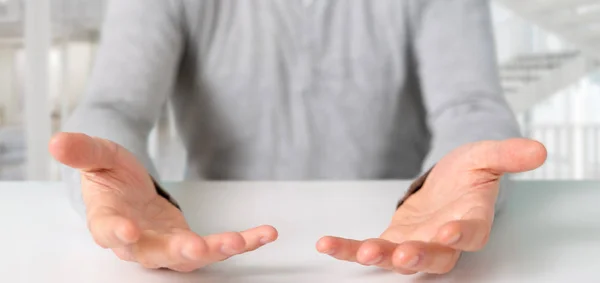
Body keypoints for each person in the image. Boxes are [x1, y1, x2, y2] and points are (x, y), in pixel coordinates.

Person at [48, 0, 547, 275]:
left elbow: (471, 107)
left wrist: (458, 182)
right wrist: (110, 188)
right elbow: (115, 107)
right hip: (218, 252)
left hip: (393, 244)